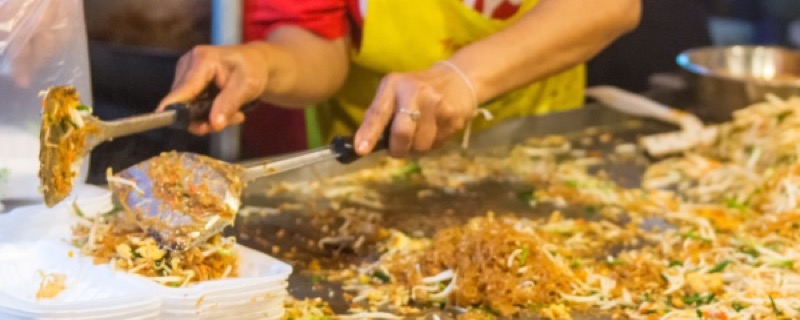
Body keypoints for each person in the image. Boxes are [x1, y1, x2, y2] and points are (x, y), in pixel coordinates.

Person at [159, 0, 642, 158]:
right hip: (375, 167)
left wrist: (462, 76)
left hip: (539, 150)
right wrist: (262, 63)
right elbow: (313, 45)